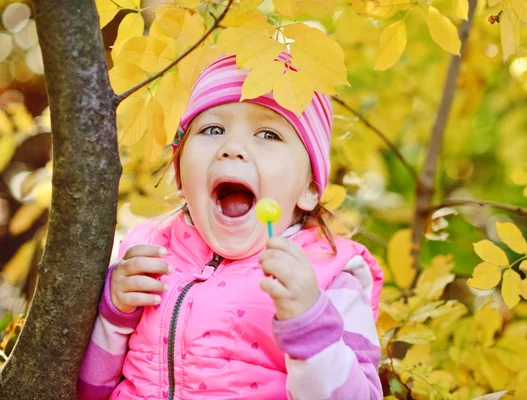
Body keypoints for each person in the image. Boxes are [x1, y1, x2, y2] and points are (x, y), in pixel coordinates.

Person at [77, 53, 384, 400]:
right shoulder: (146, 254)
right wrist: (113, 316)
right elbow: (87, 390)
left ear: (309, 188)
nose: (232, 148)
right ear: (180, 173)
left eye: (268, 134)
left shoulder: (329, 280)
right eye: (213, 129)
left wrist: (309, 322)